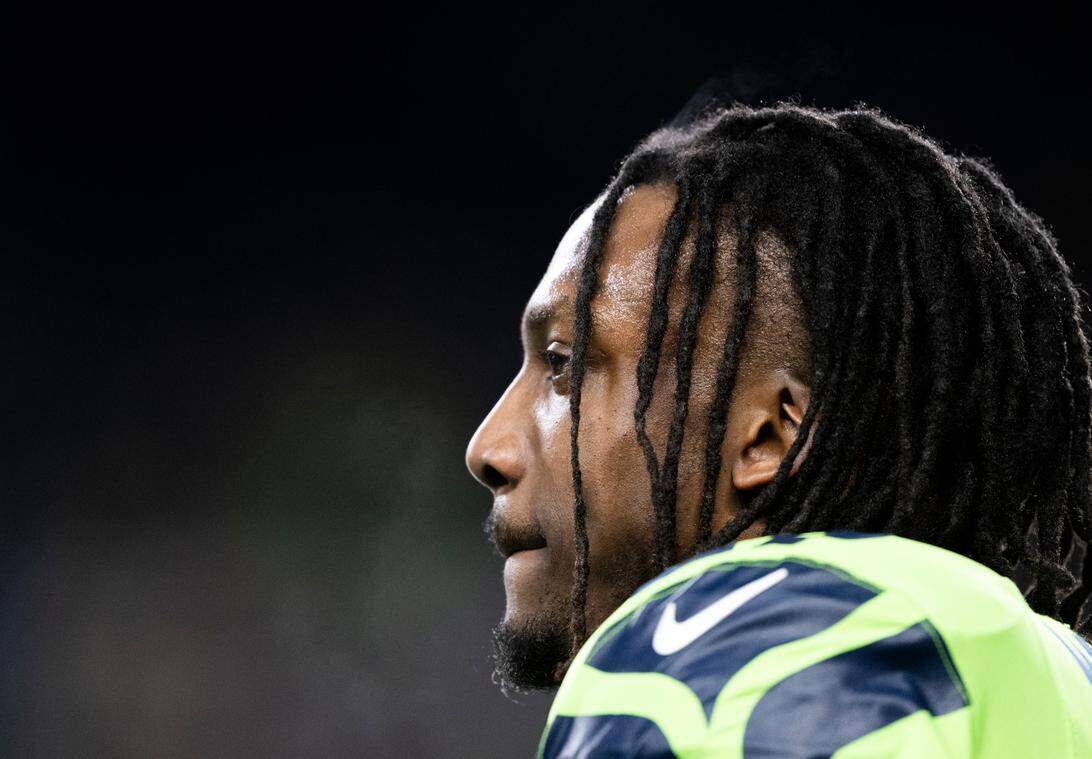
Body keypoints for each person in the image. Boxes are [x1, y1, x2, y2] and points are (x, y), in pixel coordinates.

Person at [464, 103, 1092, 756]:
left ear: (768, 435)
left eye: (564, 364)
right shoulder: (1062, 678)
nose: (487, 447)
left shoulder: (745, 647)